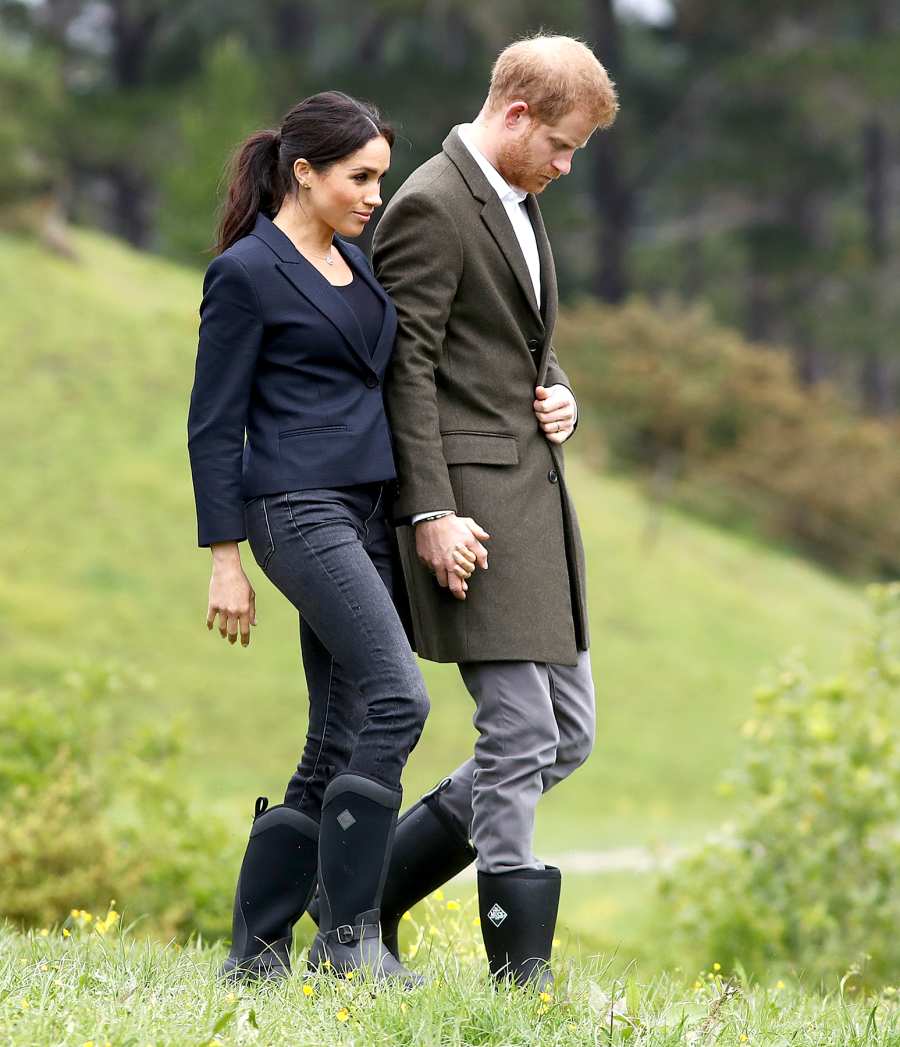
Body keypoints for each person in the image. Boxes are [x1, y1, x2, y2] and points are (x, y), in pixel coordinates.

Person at [336, 36, 620, 988]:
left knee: (568, 734)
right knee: (520, 734)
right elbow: (404, 370)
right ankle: (520, 976)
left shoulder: (518, 201)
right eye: (564, 146)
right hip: (470, 518)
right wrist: (430, 513)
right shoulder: (430, 206)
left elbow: (514, 344)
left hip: (536, 511)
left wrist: (561, 392)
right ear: (516, 116)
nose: (567, 167)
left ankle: (360, 896)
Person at [186, 91, 450, 984]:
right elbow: (213, 425)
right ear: (304, 172)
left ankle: (255, 955)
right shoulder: (247, 273)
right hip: (295, 508)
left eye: (382, 175)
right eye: (360, 176)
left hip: (367, 509)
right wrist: (225, 558)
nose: (377, 192)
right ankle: (349, 940)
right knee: (399, 701)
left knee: (336, 738)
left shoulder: (353, 261)